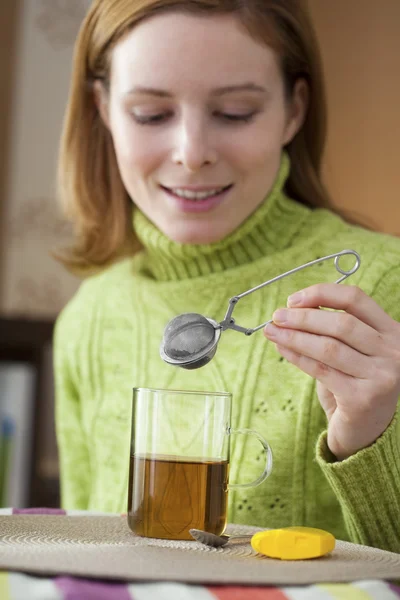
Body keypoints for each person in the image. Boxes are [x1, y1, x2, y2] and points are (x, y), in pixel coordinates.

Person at [54, 0, 400, 553]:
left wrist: (374, 443)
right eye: (150, 114)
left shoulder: (384, 291)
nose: (192, 154)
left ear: (294, 110)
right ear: (103, 109)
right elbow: (86, 564)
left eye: (235, 112)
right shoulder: (88, 318)